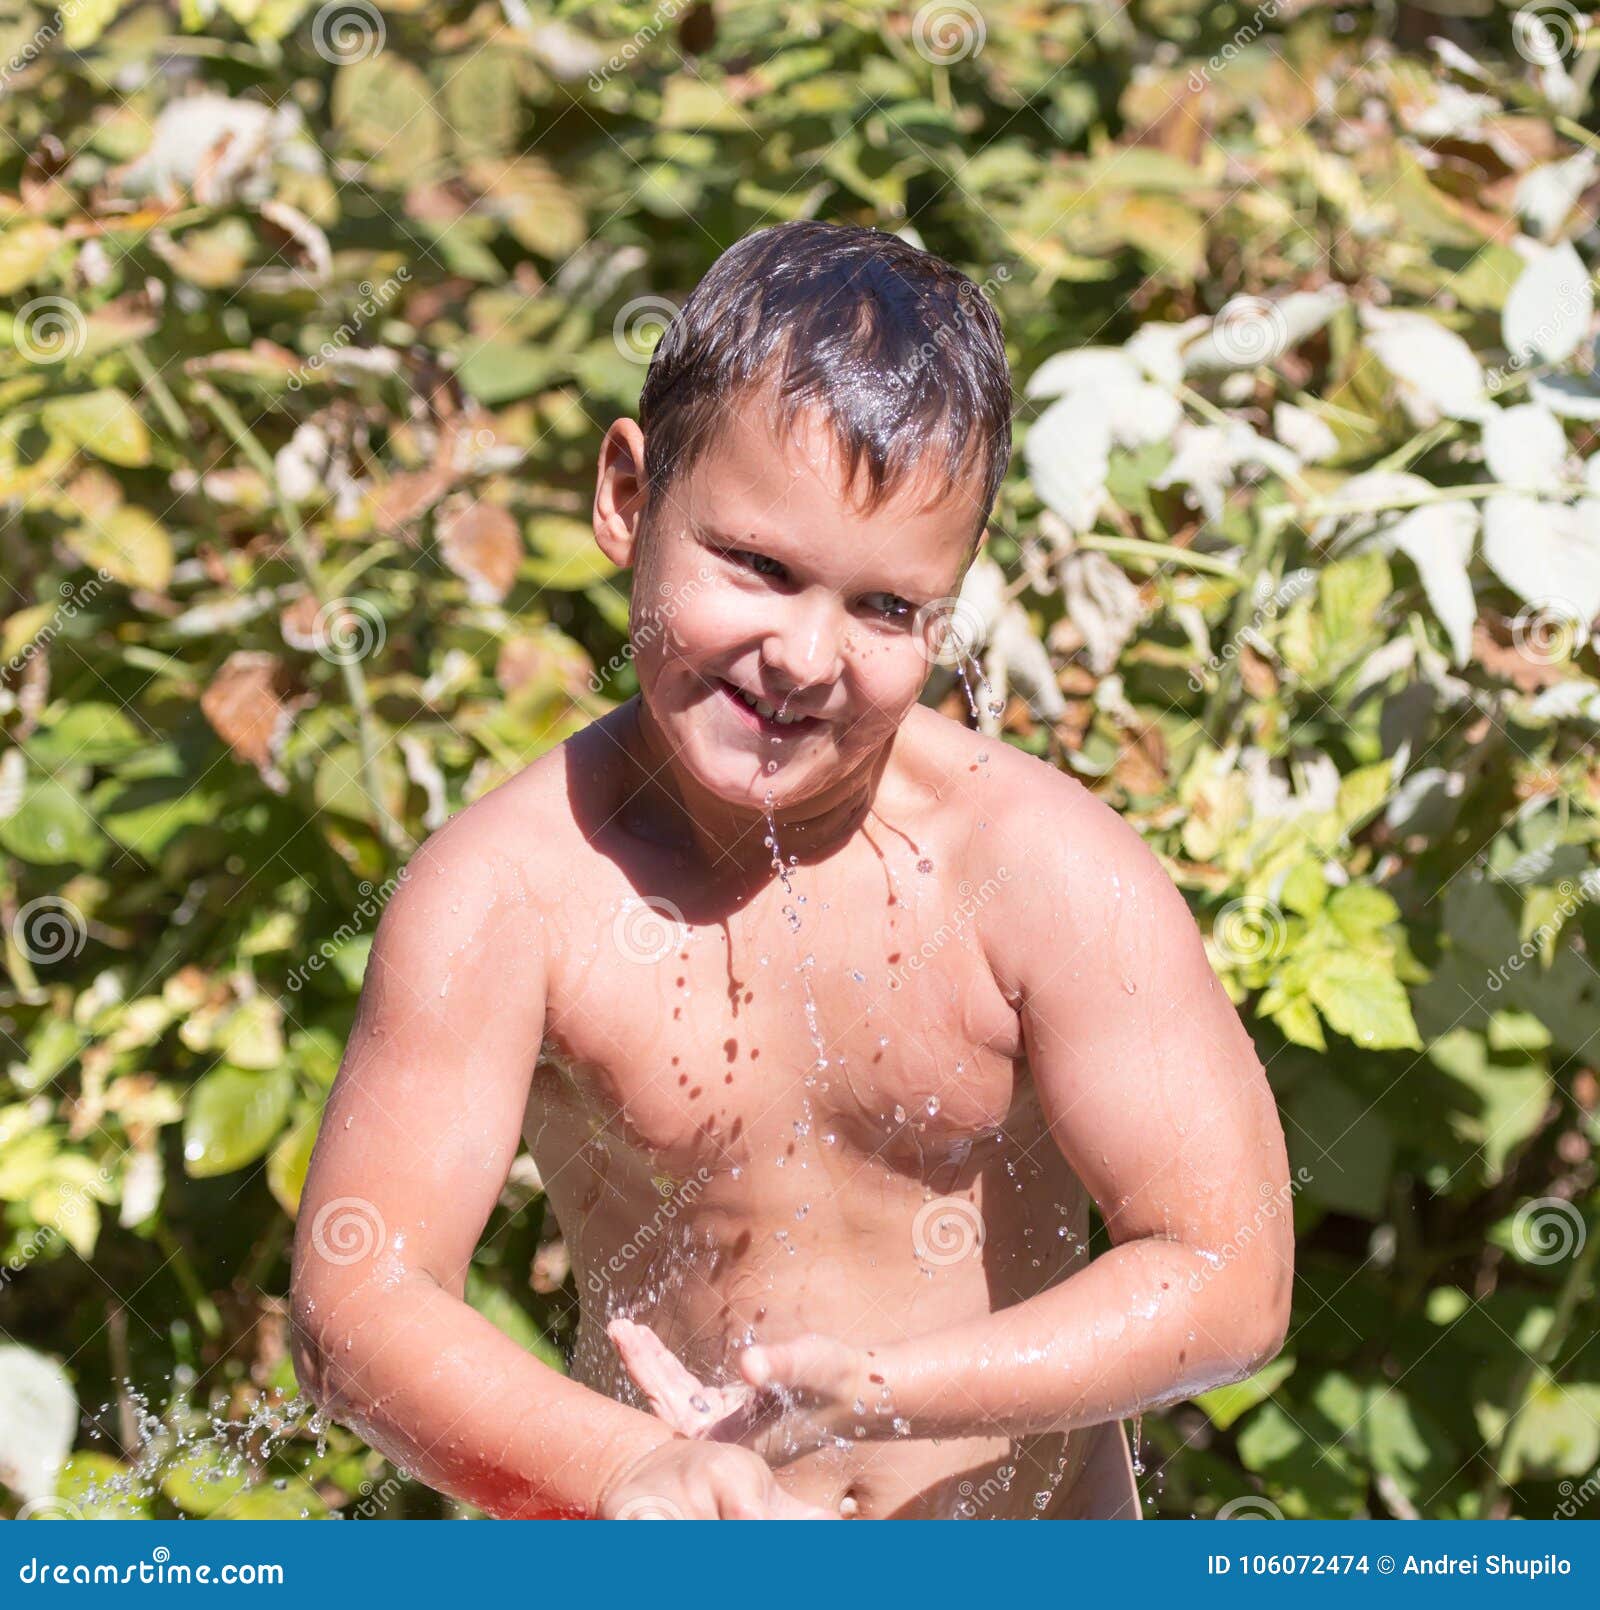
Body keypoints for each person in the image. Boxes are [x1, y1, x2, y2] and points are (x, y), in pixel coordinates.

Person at [290, 220, 1292, 1520]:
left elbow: (1228, 1276)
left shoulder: (1041, 873)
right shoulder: (507, 892)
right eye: (757, 567)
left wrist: (888, 1384)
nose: (807, 655)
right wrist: (627, 1465)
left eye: (885, 609)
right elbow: (354, 1301)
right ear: (627, 495)